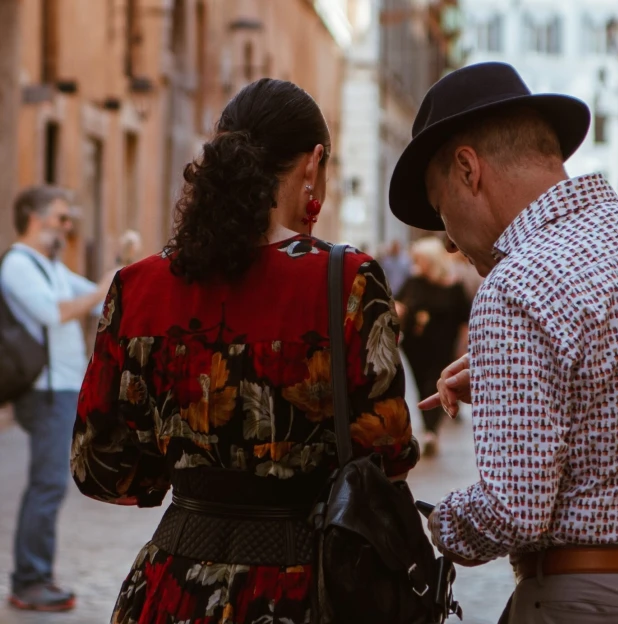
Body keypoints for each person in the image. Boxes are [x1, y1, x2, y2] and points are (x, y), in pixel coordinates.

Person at [390, 62, 618, 623]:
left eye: (440, 211)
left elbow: (513, 512)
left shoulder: (516, 284)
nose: (451, 243)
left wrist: (433, 521)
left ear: (467, 169)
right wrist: (530, 381)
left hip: (592, 605)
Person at [71, 78, 418, 623]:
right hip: (304, 589)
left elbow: (100, 468)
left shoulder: (137, 287)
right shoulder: (347, 280)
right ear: (314, 164)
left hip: (173, 587)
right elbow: (389, 454)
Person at [0, 186, 114, 612]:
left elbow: (100, 297)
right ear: (35, 217)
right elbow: (54, 312)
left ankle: (36, 575)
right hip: (43, 390)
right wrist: (101, 286)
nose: (69, 229)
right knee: (46, 485)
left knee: (49, 484)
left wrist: (117, 276)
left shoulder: (50, 266)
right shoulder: (17, 264)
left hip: (64, 386)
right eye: (62, 219)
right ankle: (28, 580)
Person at [394, 236, 471, 457]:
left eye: (421, 259)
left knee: (434, 382)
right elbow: (399, 303)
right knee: (421, 383)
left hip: (443, 345)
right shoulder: (414, 281)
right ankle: (429, 429)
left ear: (432, 260)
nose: (418, 263)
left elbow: (464, 318)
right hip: (415, 346)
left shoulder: (453, 285)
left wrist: (462, 345)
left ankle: (431, 430)